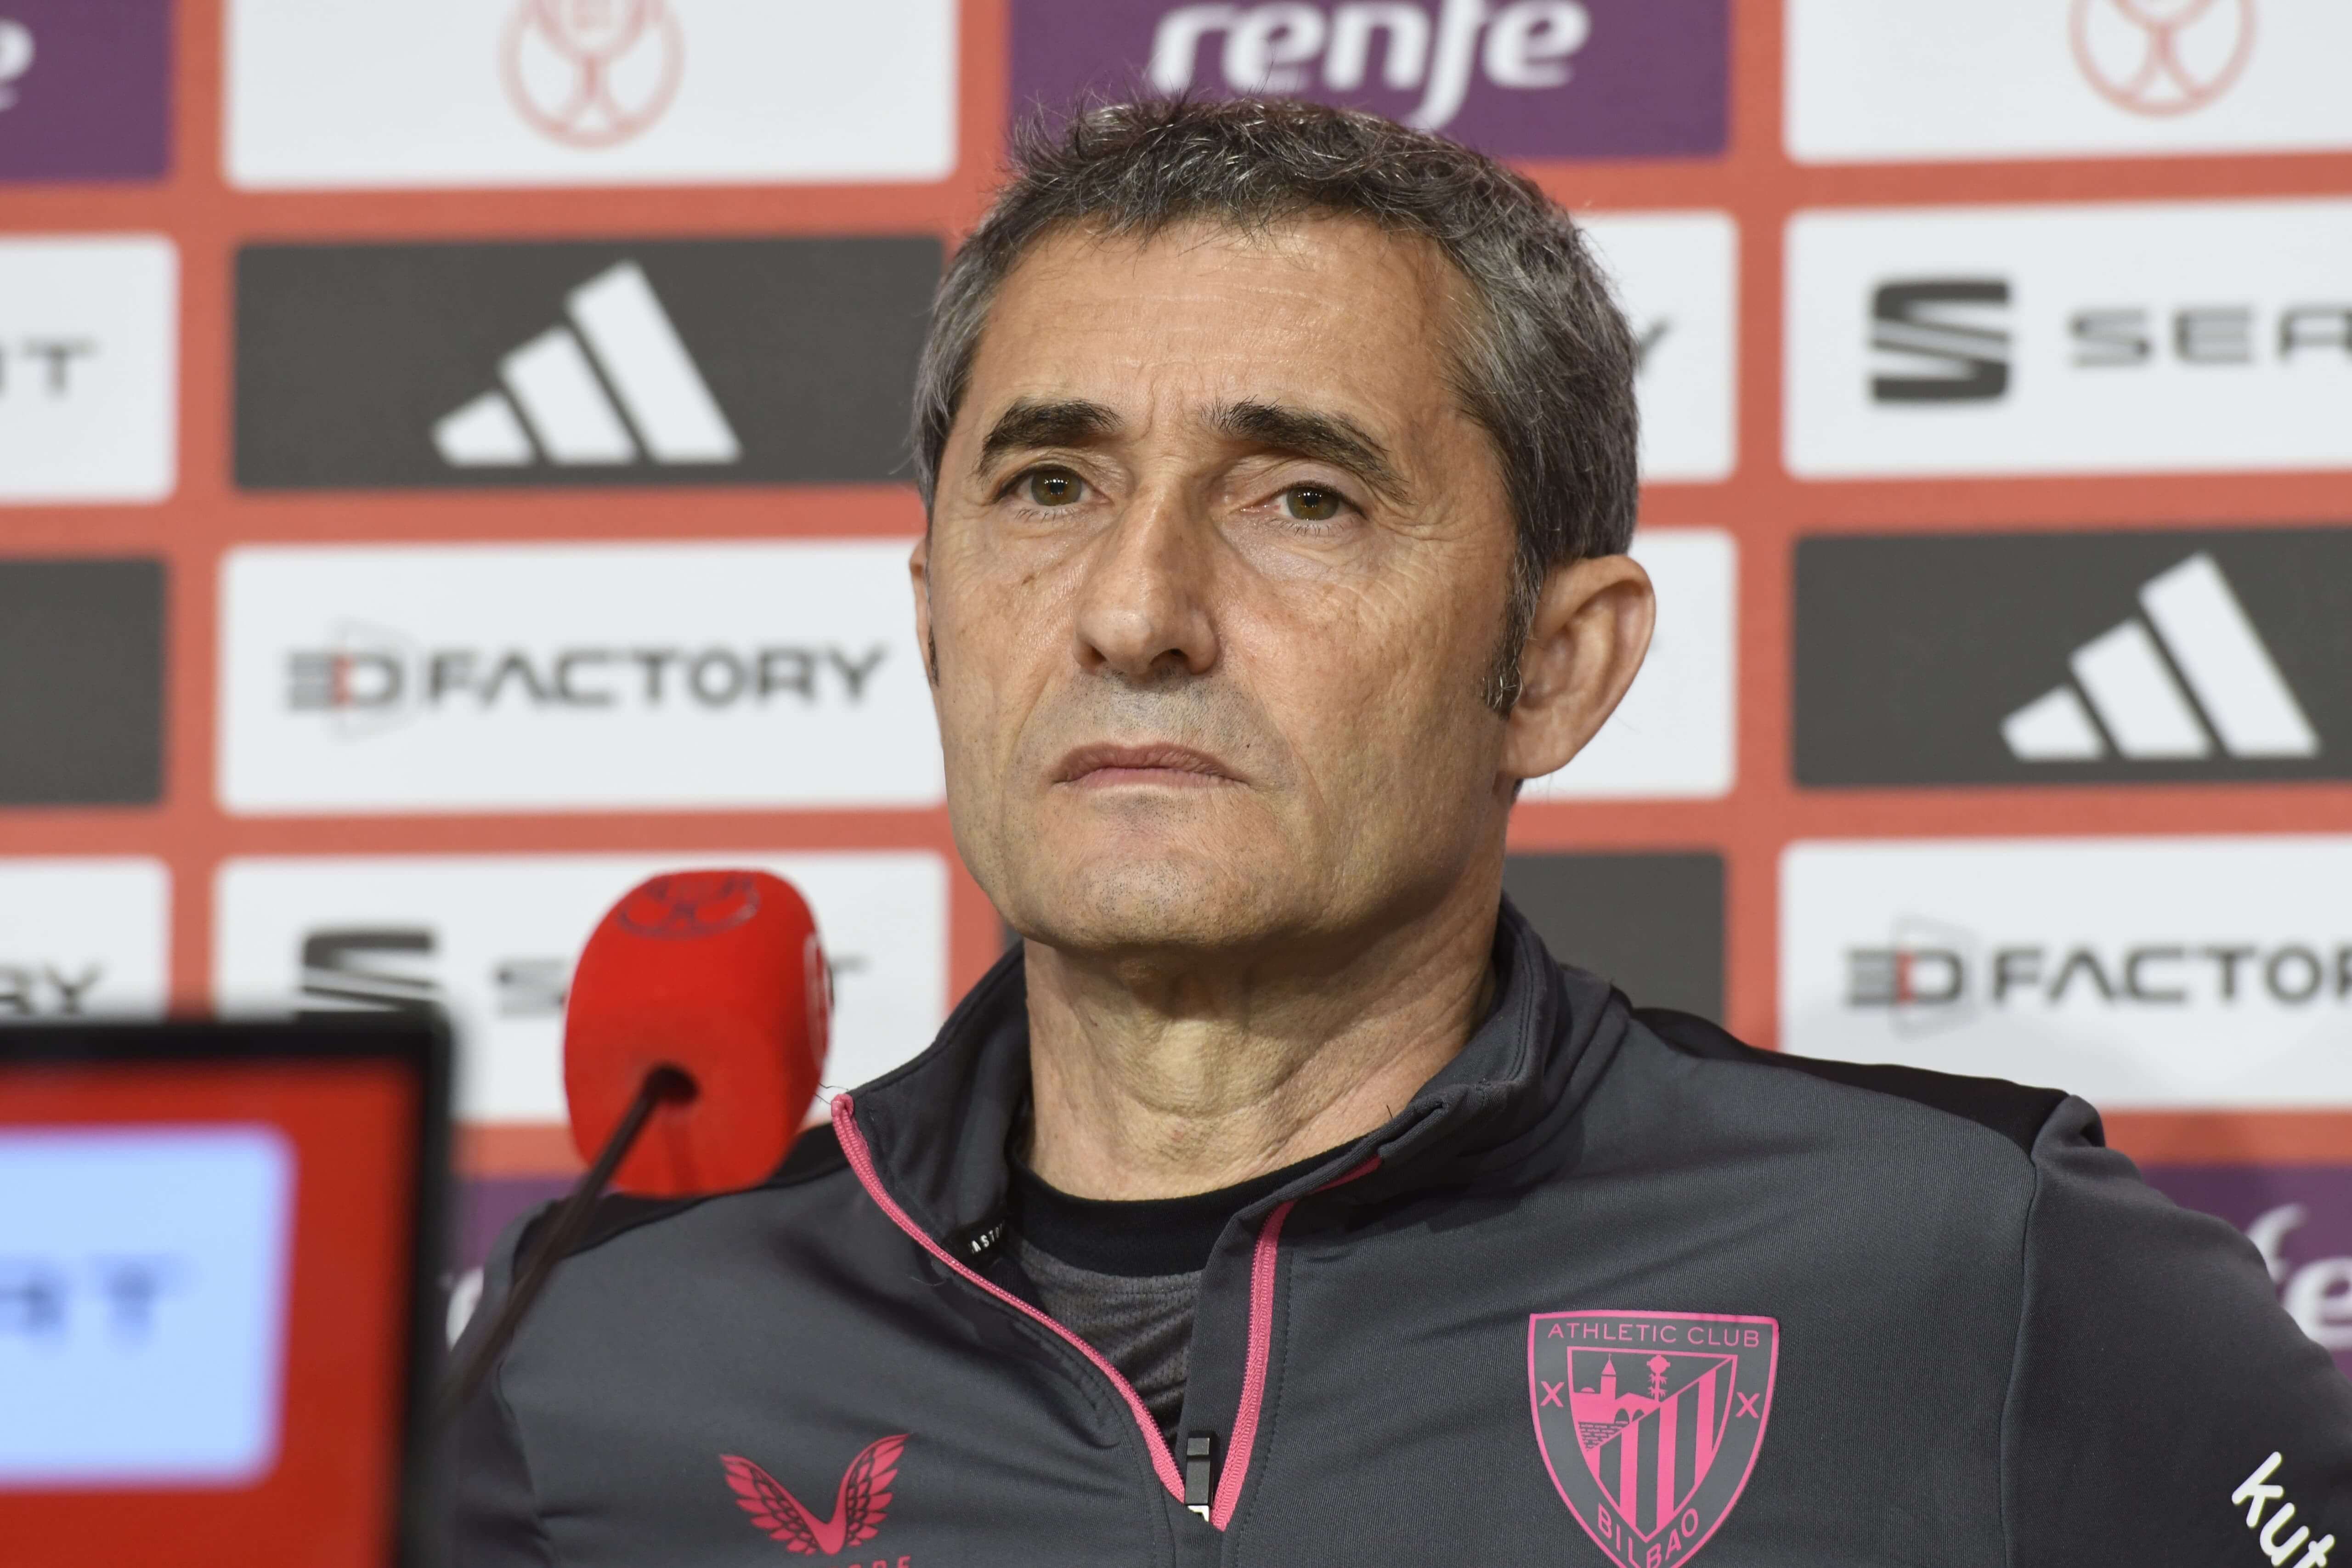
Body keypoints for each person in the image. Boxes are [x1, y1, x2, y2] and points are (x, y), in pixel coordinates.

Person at [448, 98, 2352, 1567]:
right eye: (1046, 482)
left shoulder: (1966, 1256)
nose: (1133, 609)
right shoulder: (600, 1348)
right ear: (934, 610)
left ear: (1552, 662)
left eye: (1299, 498)